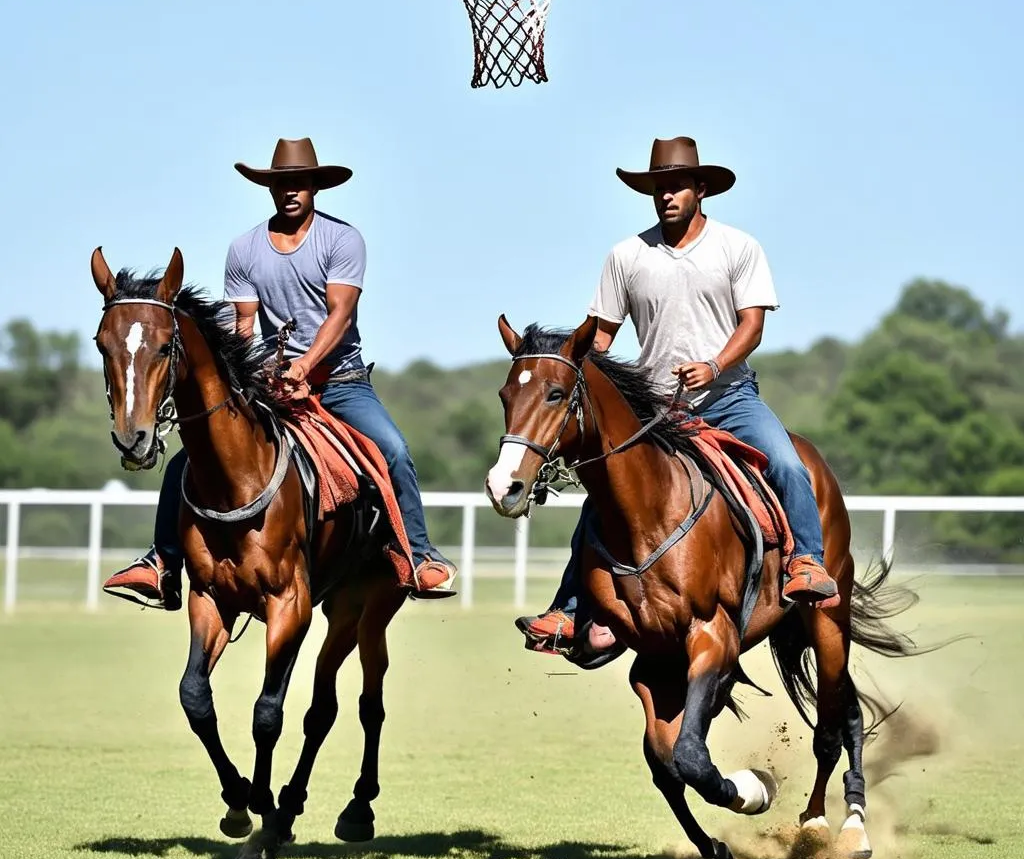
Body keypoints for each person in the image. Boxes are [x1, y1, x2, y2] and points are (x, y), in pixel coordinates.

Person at [103, 137, 457, 609]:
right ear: (269, 188)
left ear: (315, 187)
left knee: (391, 449)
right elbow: (243, 325)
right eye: (281, 184)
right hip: (269, 384)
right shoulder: (244, 248)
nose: (291, 191)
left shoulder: (342, 239)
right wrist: (253, 374)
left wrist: (306, 365)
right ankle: (162, 562)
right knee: (185, 463)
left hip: (340, 382)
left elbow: (341, 314)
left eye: (299, 183)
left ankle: (417, 554)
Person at [516, 136, 838, 653]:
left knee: (786, 462)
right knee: (602, 498)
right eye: (658, 188)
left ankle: (806, 562)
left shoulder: (739, 247)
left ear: (701, 189)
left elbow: (752, 326)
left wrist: (714, 366)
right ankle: (568, 610)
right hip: (655, 411)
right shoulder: (626, 255)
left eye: (677, 186)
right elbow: (600, 338)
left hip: (730, 399)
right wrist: (570, 371)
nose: (667, 195)